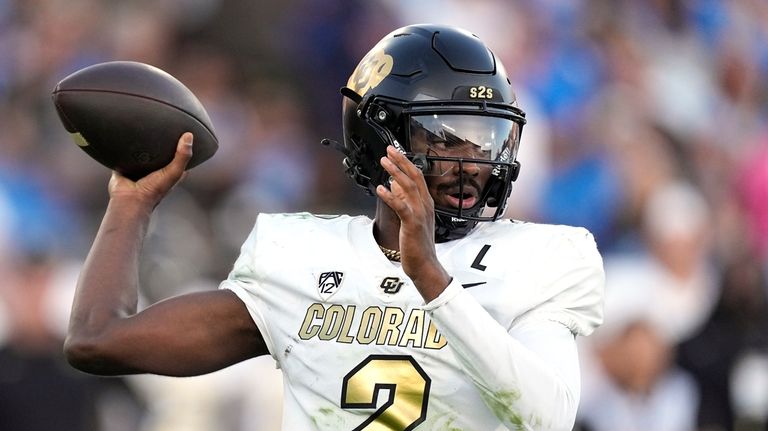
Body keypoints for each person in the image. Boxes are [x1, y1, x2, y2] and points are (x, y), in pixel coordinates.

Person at [65, 24, 604, 430]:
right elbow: (98, 340)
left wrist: (433, 280)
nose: (473, 163)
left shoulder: (544, 260)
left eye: (486, 141)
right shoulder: (300, 258)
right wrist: (131, 204)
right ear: (379, 141)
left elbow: (547, 417)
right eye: (446, 140)